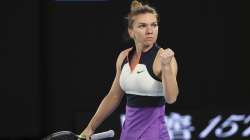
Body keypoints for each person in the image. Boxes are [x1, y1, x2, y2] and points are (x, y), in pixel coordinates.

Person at [79, 0, 179, 139]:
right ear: (131, 31)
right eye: (142, 26)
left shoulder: (163, 59)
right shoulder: (123, 57)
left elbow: (171, 98)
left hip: (153, 135)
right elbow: (113, 96)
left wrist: (166, 67)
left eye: (154, 25)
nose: (150, 31)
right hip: (128, 134)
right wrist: (90, 128)